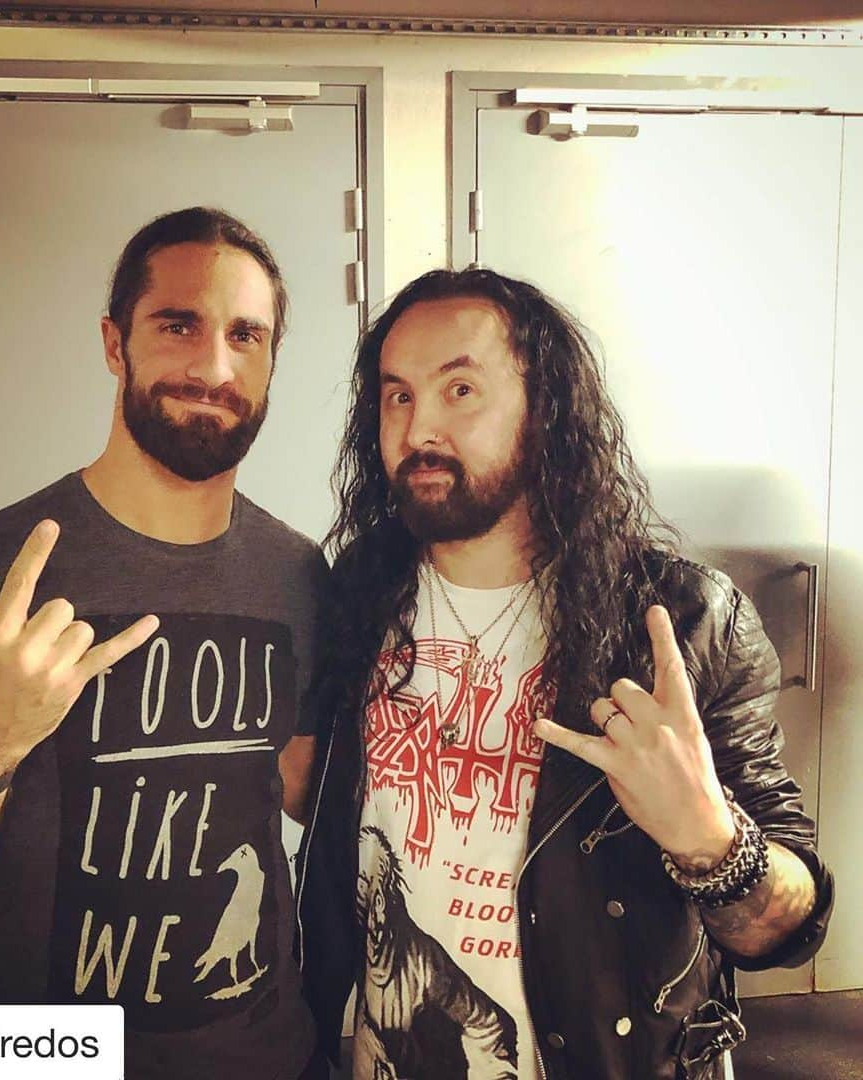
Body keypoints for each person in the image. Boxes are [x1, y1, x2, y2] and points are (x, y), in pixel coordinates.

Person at [0, 207, 329, 1080]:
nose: (214, 366)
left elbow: (305, 789)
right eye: (178, 325)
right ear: (114, 342)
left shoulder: (298, 577)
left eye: (246, 336)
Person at [296, 268, 834, 1080]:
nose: (417, 428)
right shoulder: (361, 591)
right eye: (397, 395)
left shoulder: (678, 622)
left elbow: (784, 932)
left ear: (543, 412)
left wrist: (709, 840)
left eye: (461, 389)